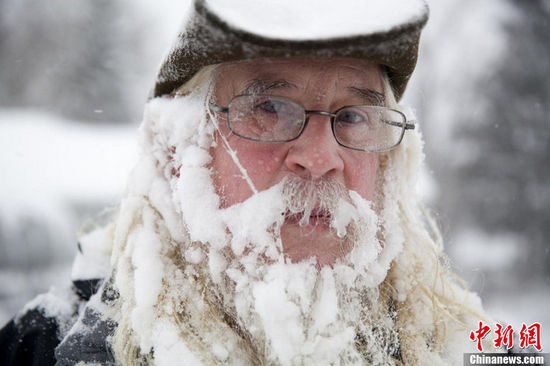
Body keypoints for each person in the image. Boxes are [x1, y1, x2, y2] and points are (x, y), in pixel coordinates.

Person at [0, 0, 499, 364]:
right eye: (270, 108)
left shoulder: (468, 345)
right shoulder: (40, 350)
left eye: (352, 116)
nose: (322, 157)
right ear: (181, 154)